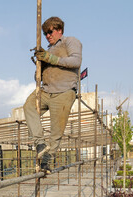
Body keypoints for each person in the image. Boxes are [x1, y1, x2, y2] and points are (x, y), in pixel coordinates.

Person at [23, 16, 82, 172]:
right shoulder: (47, 50)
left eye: (50, 32)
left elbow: (76, 62)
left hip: (64, 91)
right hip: (46, 90)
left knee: (56, 131)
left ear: (59, 30)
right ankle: (40, 144)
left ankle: (46, 161)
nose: (48, 36)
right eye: (45, 34)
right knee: (29, 107)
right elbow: (39, 76)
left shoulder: (70, 41)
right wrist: (39, 65)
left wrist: (50, 58)